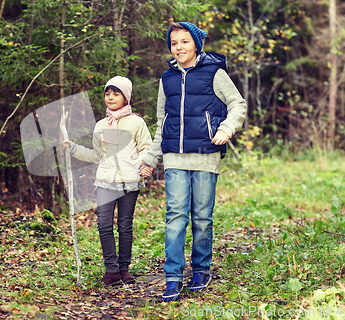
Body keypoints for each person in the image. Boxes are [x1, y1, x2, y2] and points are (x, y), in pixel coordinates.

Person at [138, 22, 247, 301]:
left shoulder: (215, 73)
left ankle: (201, 269)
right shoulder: (167, 79)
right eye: (174, 43)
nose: (179, 47)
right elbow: (163, 122)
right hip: (174, 156)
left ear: (196, 44)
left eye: (184, 42)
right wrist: (151, 157)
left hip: (206, 154)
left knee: (201, 216)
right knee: (175, 216)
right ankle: (173, 276)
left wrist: (225, 128)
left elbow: (237, 104)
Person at [64, 76, 153, 286]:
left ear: (126, 97)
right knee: (104, 225)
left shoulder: (136, 122)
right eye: (107, 94)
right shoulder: (101, 125)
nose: (110, 98)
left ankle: (124, 269)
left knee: (125, 225)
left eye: (116, 94)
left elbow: (147, 147)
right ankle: (111, 270)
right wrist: (74, 149)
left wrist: (142, 164)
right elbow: (96, 155)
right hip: (105, 181)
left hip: (129, 181)